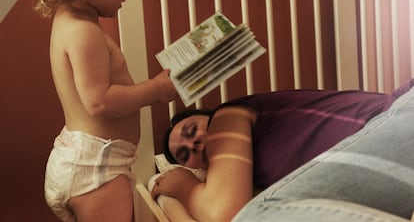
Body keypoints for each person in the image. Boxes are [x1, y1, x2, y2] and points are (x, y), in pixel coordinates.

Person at [28, 0, 177, 221]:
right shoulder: (83, 32)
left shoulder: (71, 21)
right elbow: (98, 101)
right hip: (97, 168)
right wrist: (156, 89)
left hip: (86, 160)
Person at [150, 82, 414, 222]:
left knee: (253, 217)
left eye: (191, 130)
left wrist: (183, 186)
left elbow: (226, 213)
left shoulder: (229, 114)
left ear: (209, 114)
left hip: (397, 121)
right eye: (186, 154)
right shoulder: (259, 180)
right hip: (389, 164)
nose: (194, 143)